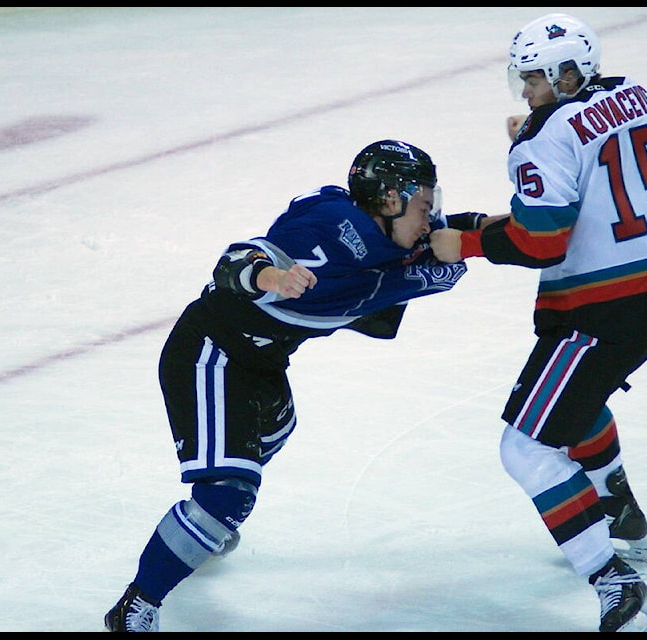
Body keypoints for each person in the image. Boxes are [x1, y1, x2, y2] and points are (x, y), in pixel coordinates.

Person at [104, 139, 486, 632]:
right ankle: (136, 606)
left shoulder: (404, 240)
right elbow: (234, 261)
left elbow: (473, 232)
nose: (431, 218)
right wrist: (272, 277)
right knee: (228, 494)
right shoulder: (330, 232)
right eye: (424, 205)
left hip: (265, 364)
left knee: (272, 437)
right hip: (213, 351)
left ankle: (201, 529)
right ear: (389, 199)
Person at [429, 13, 647, 633]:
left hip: (599, 309)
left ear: (568, 73)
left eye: (536, 81)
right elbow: (604, 161)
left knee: (525, 447)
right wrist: (545, 134)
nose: (527, 92)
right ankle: (617, 508)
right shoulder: (638, 96)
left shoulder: (546, 134)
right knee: (580, 399)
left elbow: (541, 240)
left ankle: (617, 584)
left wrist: (463, 243)